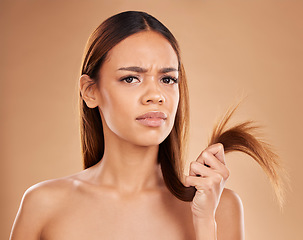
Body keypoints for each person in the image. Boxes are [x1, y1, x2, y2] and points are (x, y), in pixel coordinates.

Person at [10, 11, 283, 240]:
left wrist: (204, 223)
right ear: (90, 91)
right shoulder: (44, 205)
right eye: (131, 79)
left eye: (168, 79)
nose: (156, 95)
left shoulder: (220, 208)